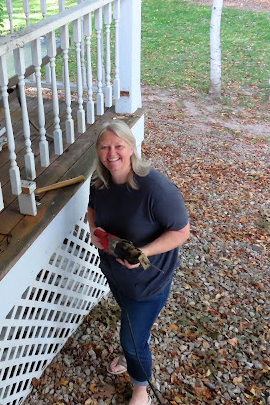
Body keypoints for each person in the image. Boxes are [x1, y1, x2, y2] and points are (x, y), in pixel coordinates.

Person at [87, 121, 190, 405]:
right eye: (104, 147)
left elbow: (181, 232)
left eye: (118, 146)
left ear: (131, 148)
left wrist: (143, 252)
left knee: (131, 342)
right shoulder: (99, 181)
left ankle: (141, 389)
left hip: (148, 283)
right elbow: (92, 208)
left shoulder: (156, 189)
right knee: (133, 326)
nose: (111, 154)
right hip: (115, 274)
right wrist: (94, 230)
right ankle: (138, 341)